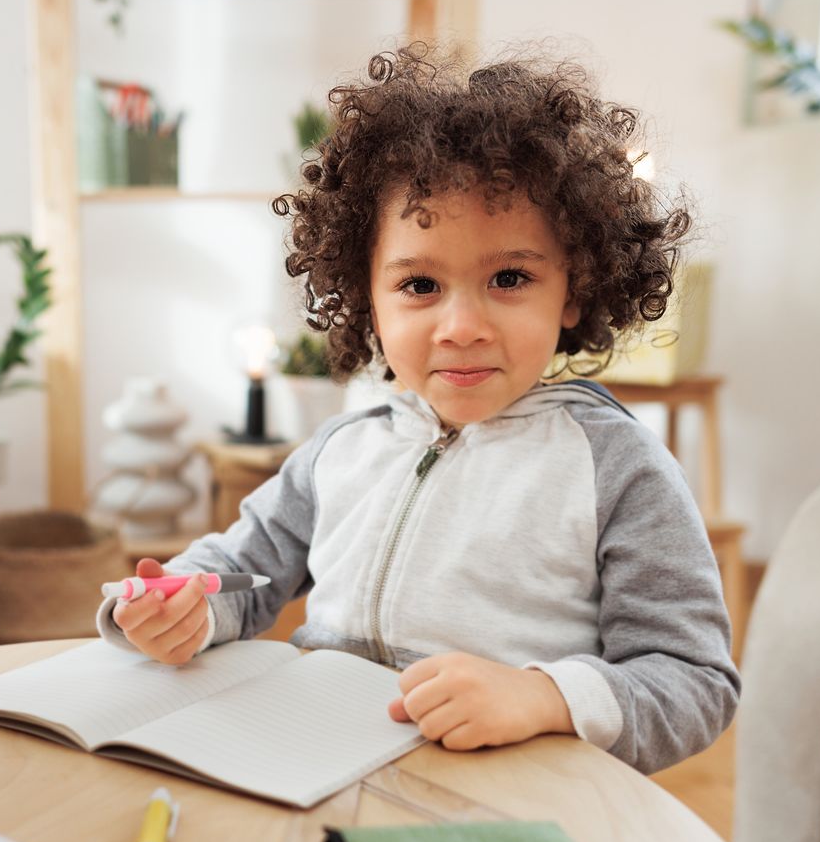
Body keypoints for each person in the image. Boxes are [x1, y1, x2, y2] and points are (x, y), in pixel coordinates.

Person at [105, 47, 738, 774]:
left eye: (508, 277)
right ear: (366, 292)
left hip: (507, 796)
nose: (461, 326)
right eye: (419, 286)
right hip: (314, 764)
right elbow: (240, 572)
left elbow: (694, 680)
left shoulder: (618, 469)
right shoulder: (344, 447)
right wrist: (181, 603)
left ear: (573, 286)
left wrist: (542, 697)